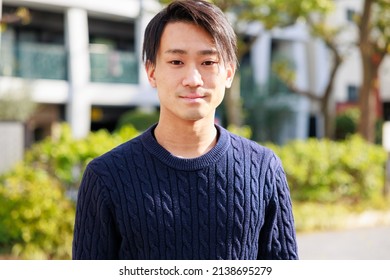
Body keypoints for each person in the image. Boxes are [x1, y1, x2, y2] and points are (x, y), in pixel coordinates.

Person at [72, 0, 298, 260]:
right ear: (152, 72)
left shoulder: (263, 169)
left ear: (228, 73)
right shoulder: (106, 176)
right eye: (177, 61)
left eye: (208, 62)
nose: (193, 79)